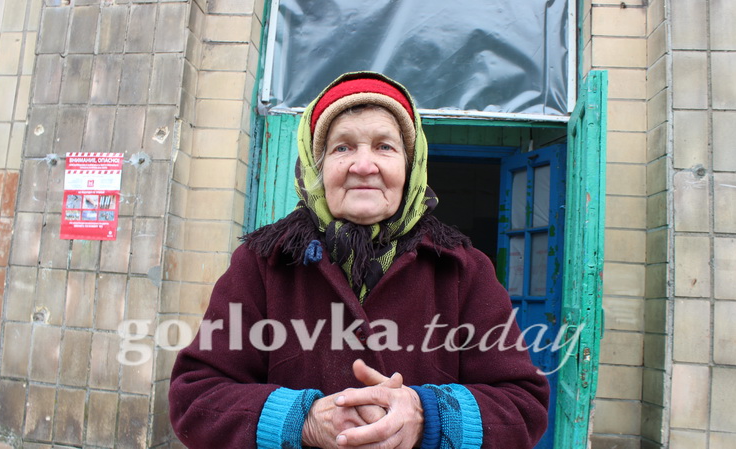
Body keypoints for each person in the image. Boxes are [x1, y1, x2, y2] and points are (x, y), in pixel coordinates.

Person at [169, 72, 549, 448]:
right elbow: (195, 397)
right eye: (342, 148)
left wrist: (426, 416)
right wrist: (301, 421)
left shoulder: (463, 269)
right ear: (315, 167)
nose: (364, 166)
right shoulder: (262, 264)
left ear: (410, 166)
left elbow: (522, 404)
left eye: (385, 146)